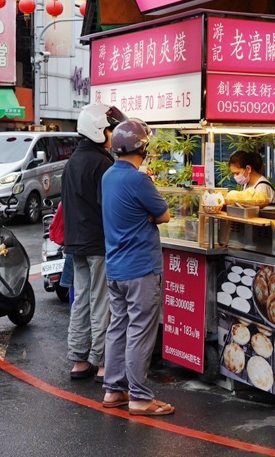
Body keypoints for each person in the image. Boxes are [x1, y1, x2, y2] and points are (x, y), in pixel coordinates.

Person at [100, 119, 175, 417]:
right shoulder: (139, 180)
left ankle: (113, 390)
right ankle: (140, 397)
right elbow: (165, 214)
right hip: (141, 268)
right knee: (140, 331)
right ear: (143, 147)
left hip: (116, 267)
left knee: (118, 328)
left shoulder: (108, 176)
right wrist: (150, 217)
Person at [63, 103, 124, 382]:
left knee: (81, 301)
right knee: (101, 302)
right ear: (99, 131)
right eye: (111, 130)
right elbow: (109, 206)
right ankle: (100, 362)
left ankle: (78, 359)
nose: (113, 135)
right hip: (98, 243)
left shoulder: (72, 161)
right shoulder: (102, 163)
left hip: (75, 242)